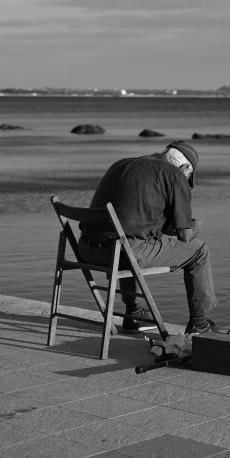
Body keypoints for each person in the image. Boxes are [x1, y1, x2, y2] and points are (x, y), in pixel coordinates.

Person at [78, 141, 219, 334]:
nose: (186, 180)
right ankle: (199, 322)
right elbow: (185, 236)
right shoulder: (175, 174)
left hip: (86, 250)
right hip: (120, 253)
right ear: (186, 168)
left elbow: (132, 217)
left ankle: (135, 313)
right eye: (188, 177)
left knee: (128, 239)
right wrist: (193, 228)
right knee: (199, 251)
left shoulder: (121, 164)